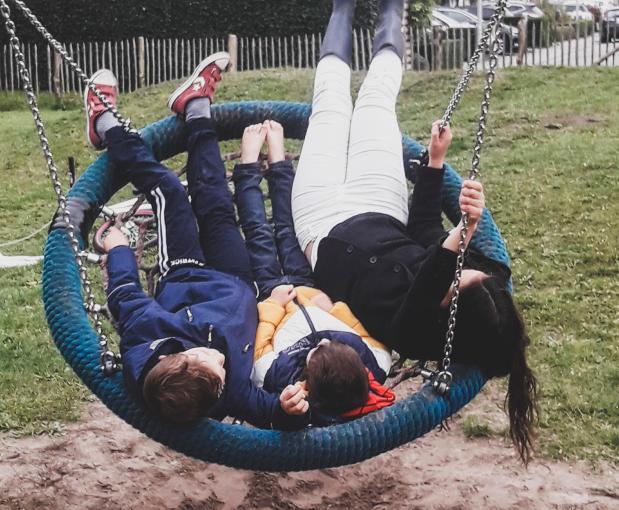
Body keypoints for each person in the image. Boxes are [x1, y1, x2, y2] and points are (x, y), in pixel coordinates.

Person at [290, 0, 538, 462]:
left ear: (450, 318)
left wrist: (459, 236)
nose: (460, 272)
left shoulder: (416, 332)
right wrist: (436, 165)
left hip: (320, 219)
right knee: (377, 97)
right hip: (381, 202)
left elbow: (430, 280)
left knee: (330, 105)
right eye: (469, 274)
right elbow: (424, 228)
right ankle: (392, 8)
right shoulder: (468, 284)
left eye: (458, 283)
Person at [79, 52, 308, 429]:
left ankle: (104, 123)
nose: (223, 360)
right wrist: (288, 410)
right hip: (236, 280)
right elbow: (268, 412)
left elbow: (125, 294)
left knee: (169, 191)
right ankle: (196, 109)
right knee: (216, 200)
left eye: (211, 360)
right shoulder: (228, 389)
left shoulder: (145, 334)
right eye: (222, 371)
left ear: (178, 356)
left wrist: (119, 248)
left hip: (185, 274)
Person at [231, 120, 395, 424]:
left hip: (271, 293)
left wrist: (274, 306)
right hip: (310, 283)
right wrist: (334, 309)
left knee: (257, 231)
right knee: (288, 225)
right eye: (335, 344)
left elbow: (260, 349)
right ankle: (279, 160)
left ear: (307, 383)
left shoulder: (280, 377)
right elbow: (363, 331)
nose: (323, 342)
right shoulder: (374, 362)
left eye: (317, 352)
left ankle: (248, 165)